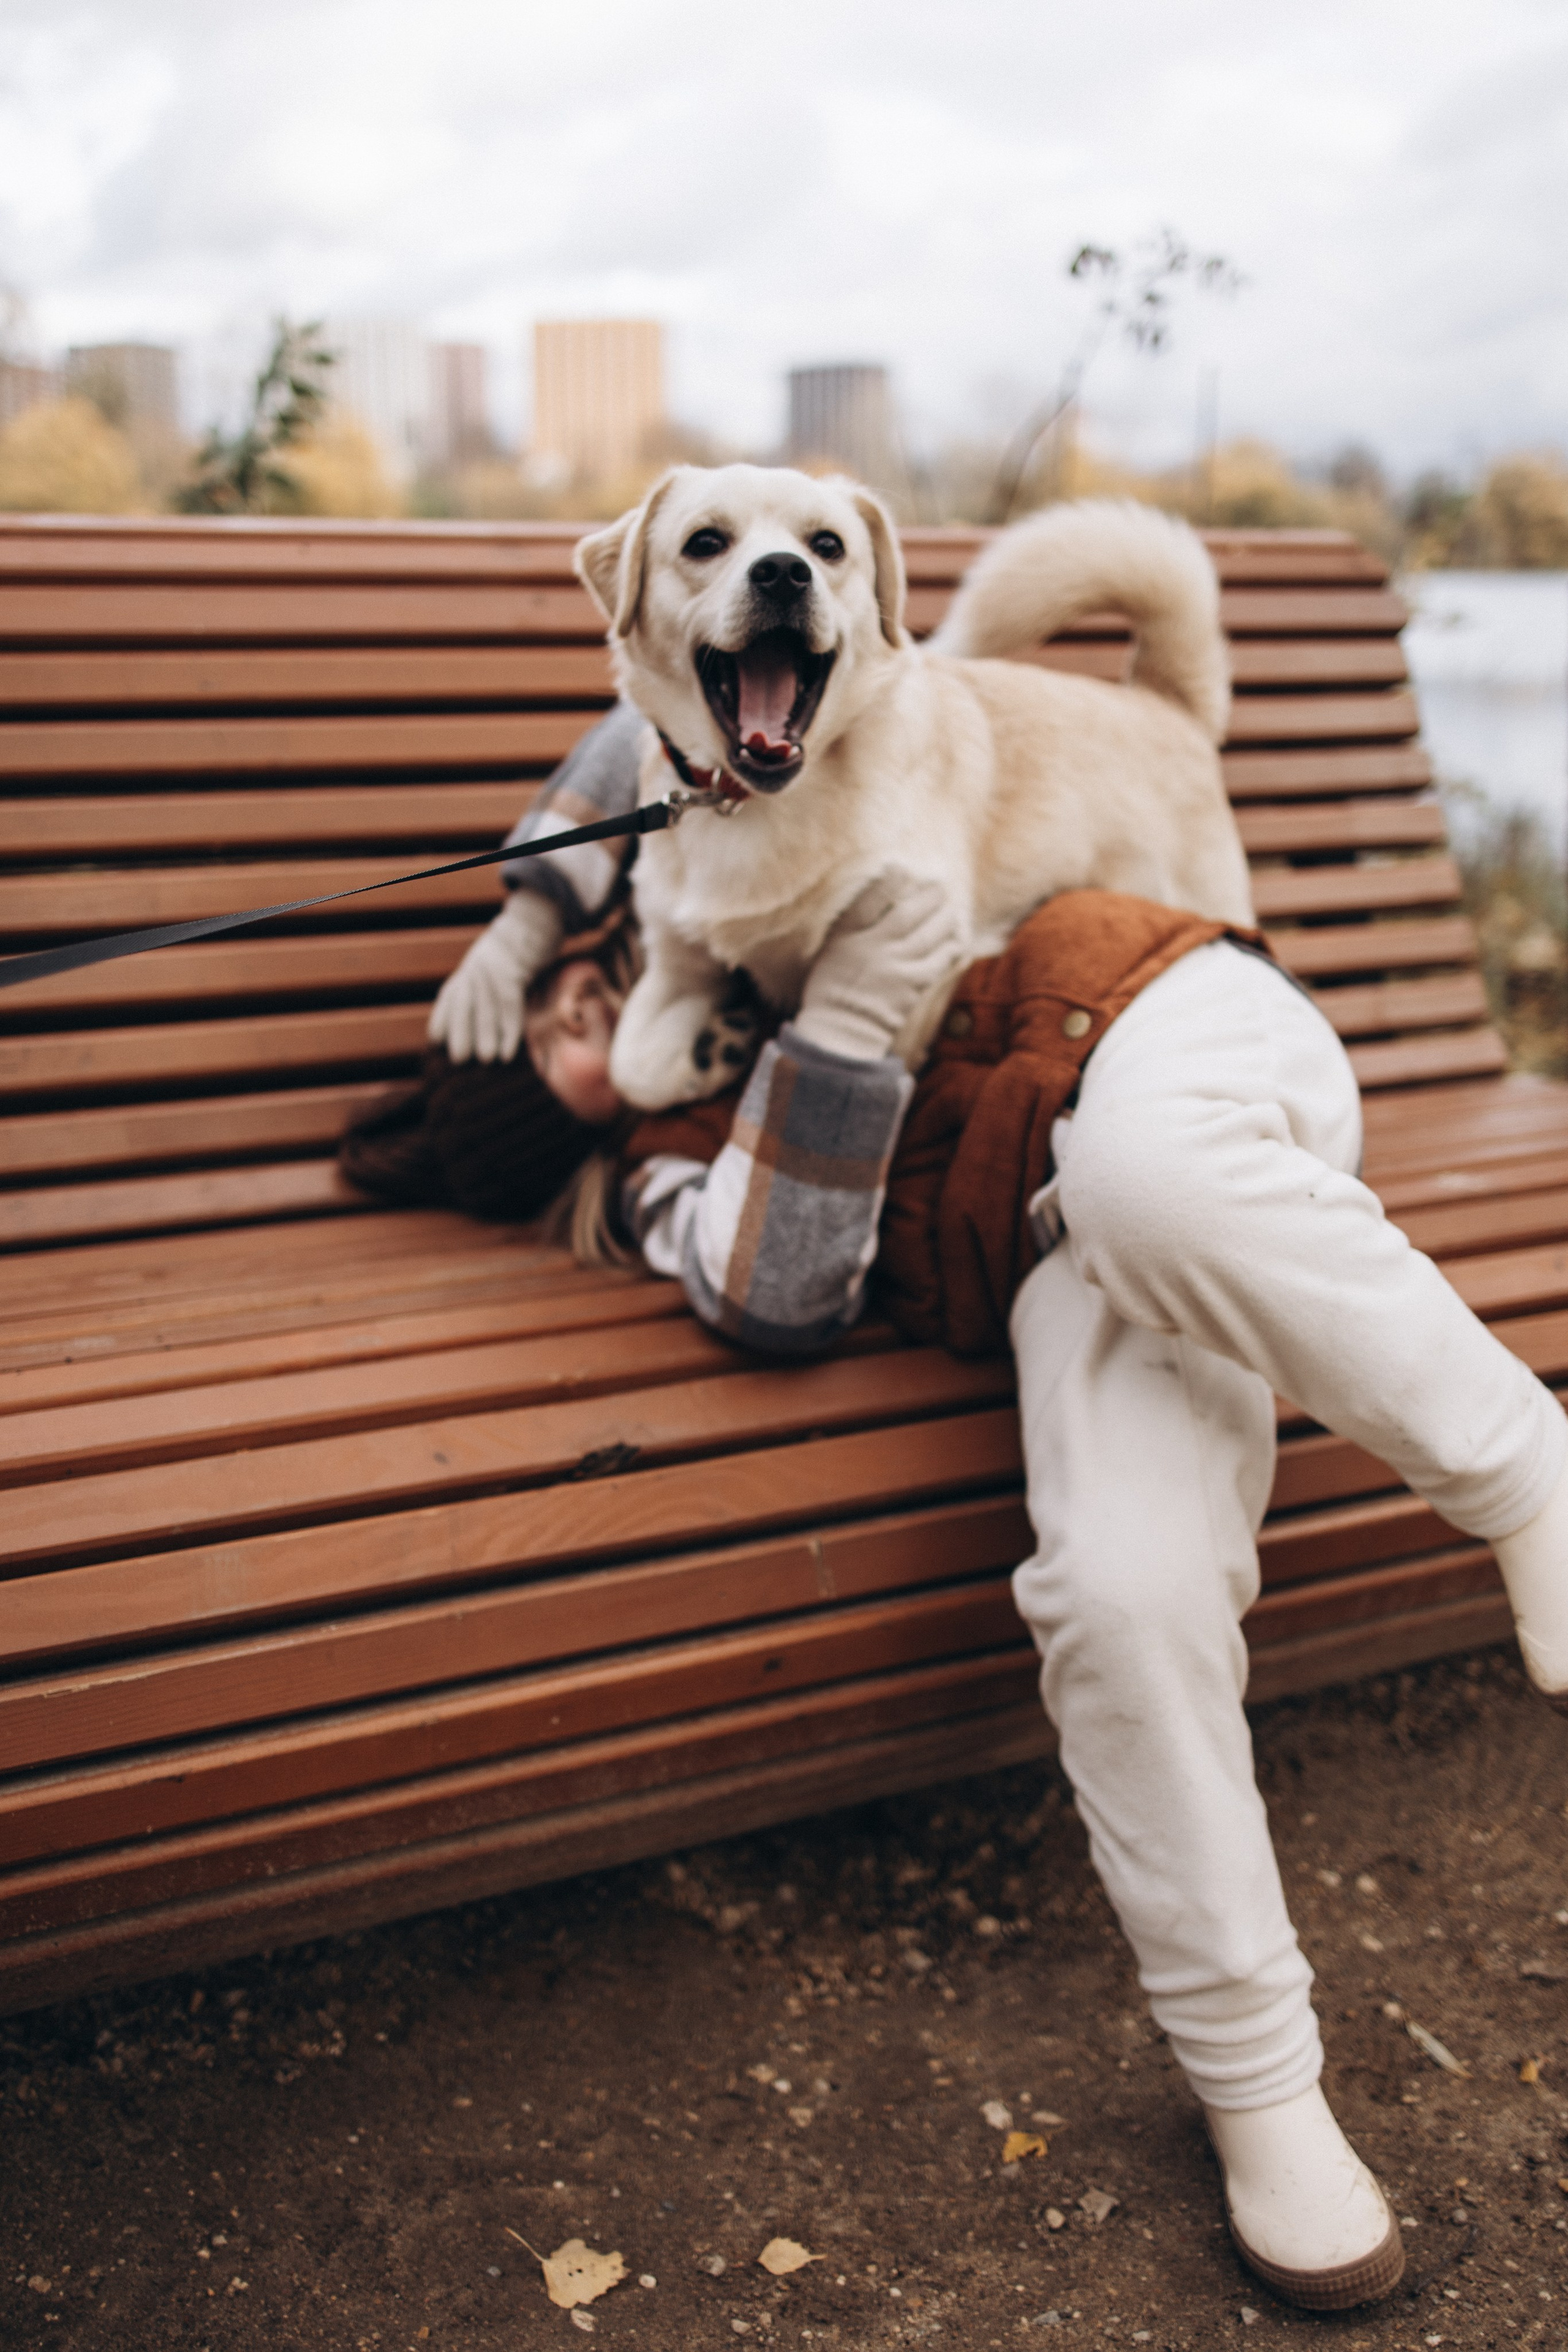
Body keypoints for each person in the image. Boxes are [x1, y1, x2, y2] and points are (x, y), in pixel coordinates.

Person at [394, 704, 1568, 2312]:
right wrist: (851, 1019)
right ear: (559, 1133)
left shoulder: (709, 885)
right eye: (560, 1040)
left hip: (1155, 1013)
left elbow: (655, 702)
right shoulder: (673, 1174)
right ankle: (1265, 2096)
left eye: (583, 990)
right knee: (1117, 1591)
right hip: (1052, 1234)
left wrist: (527, 916)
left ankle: (1527, 1470)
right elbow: (780, 1295)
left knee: (1148, 1180)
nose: (590, 1008)